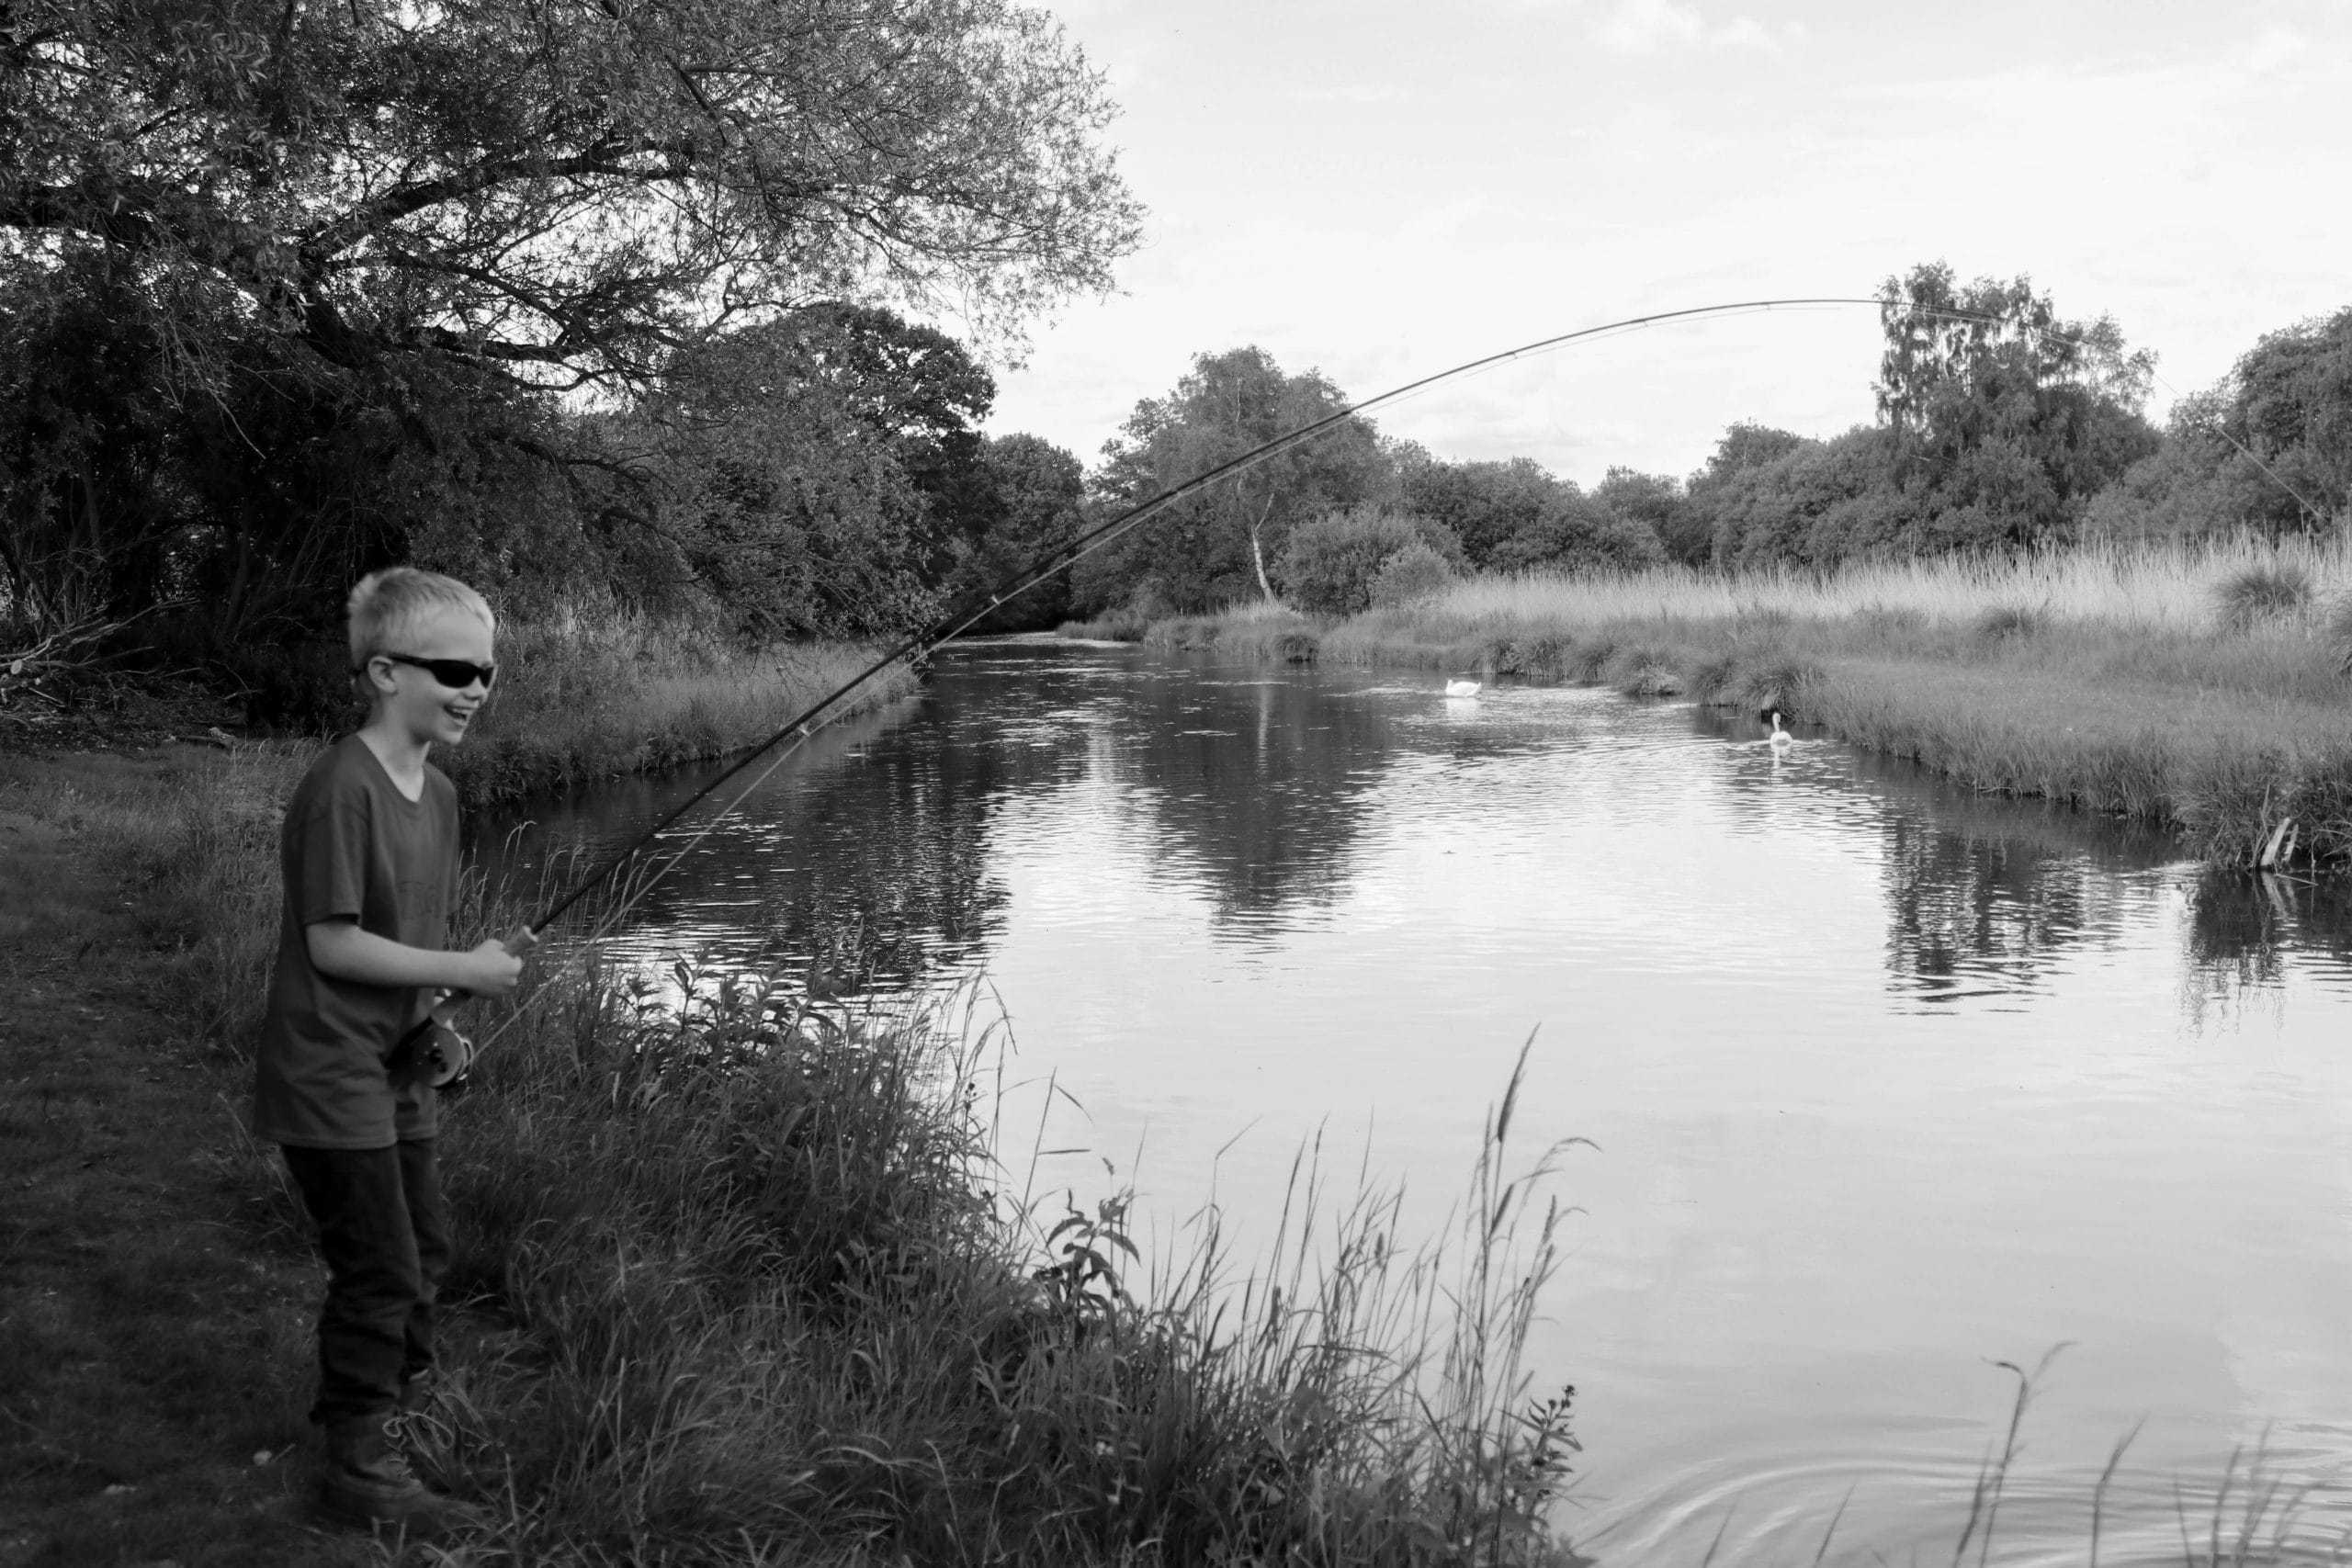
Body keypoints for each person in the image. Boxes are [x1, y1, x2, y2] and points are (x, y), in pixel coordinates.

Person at [254, 567, 530, 1531]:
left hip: (398, 1062)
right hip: (328, 1071)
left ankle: (397, 1412)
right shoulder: (342, 790)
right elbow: (333, 944)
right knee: (378, 1266)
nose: (475, 688)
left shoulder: (443, 795)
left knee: (427, 1247)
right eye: (453, 668)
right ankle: (357, 1465)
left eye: (487, 672)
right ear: (382, 671)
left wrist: (441, 1019)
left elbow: (405, 946)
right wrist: (462, 961)